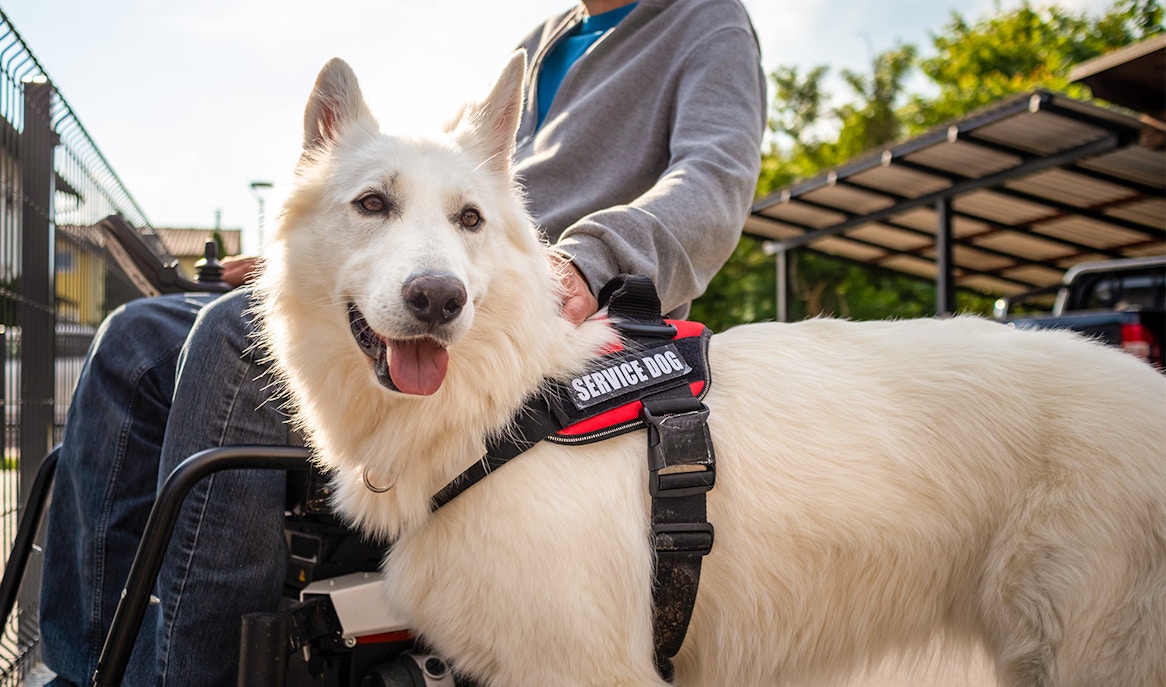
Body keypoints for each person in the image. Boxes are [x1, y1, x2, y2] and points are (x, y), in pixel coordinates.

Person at [40, 0, 766, 683]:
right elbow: (425, 192)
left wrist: (589, 259)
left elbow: (714, 180)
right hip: (446, 262)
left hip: (551, 304)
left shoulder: (704, 21)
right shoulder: (543, 42)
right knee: (135, 338)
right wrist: (319, 249)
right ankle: (88, 665)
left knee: (233, 337)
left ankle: (195, 674)